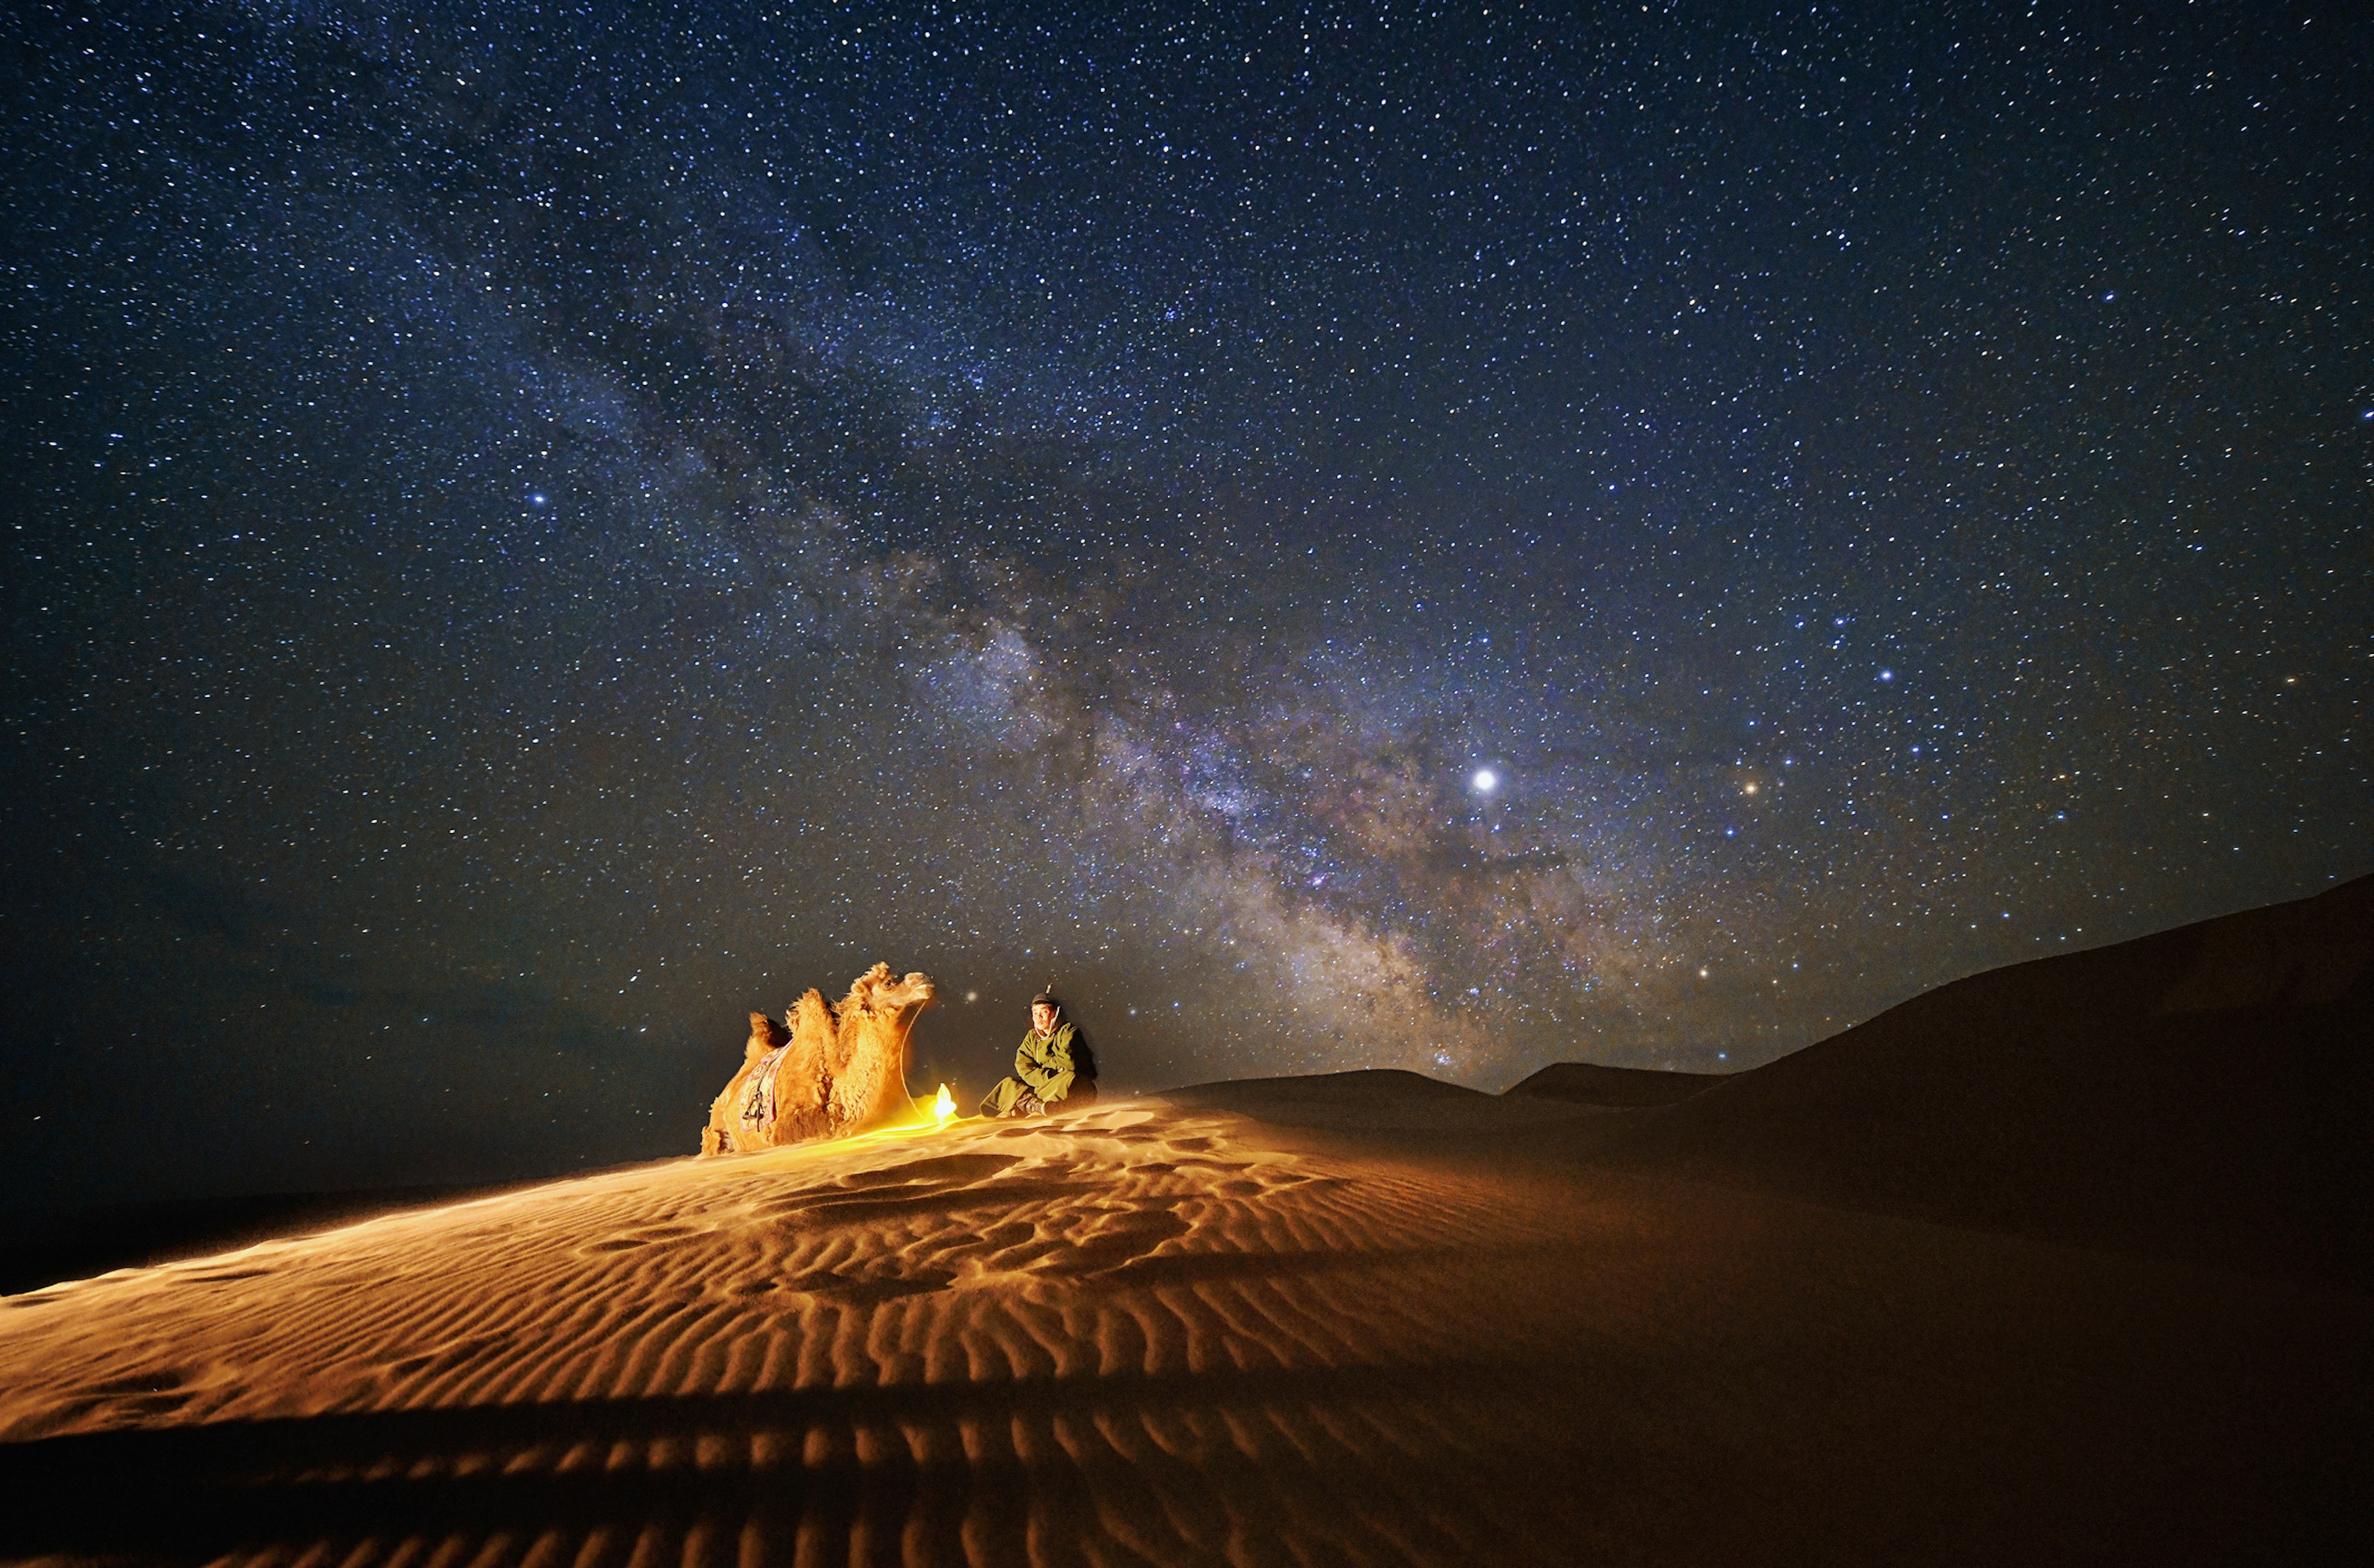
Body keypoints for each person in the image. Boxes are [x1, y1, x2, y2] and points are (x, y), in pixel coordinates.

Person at [981, 986, 1097, 1117]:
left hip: (1070, 1084)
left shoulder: (1069, 1032)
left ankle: (1028, 1106)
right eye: (1035, 1013)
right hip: (1042, 1084)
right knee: (1009, 1084)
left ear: (1055, 1013)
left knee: (1068, 1079)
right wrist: (1046, 1075)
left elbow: (1068, 1062)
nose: (1039, 1017)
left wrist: (1042, 1071)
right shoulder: (1032, 1037)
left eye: (1044, 1012)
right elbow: (1023, 1066)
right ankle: (1036, 1106)